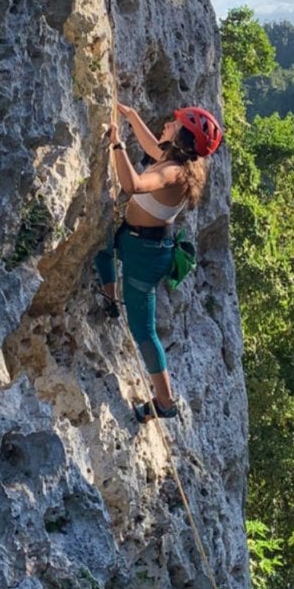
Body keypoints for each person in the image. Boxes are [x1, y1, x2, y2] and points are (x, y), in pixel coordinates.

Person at [95, 101, 222, 422]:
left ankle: (164, 402)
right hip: (139, 241)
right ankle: (109, 299)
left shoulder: (172, 172)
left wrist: (116, 143)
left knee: (144, 331)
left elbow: (133, 185)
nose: (167, 123)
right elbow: (152, 145)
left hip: (144, 254)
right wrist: (131, 115)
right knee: (100, 243)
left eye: (174, 123)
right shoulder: (178, 161)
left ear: (181, 137)